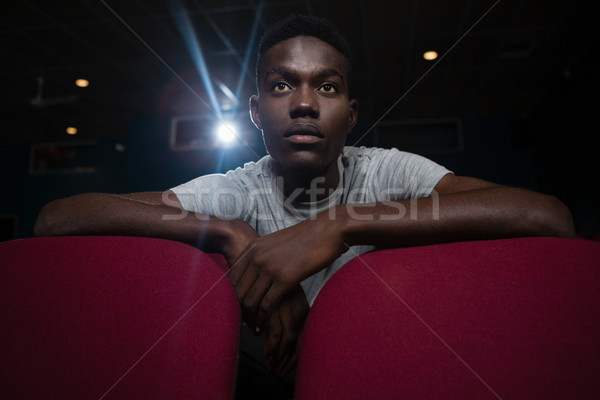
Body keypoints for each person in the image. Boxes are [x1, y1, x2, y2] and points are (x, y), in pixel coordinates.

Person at [34, 14, 575, 381]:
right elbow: (58, 219)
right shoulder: (238, 189)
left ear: (352, 114)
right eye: (281, 85)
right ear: (254, 112)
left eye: (329, 87)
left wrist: (339, 224)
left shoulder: (384, 170)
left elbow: (545, 216)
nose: (305, 105)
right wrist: (227, 233)